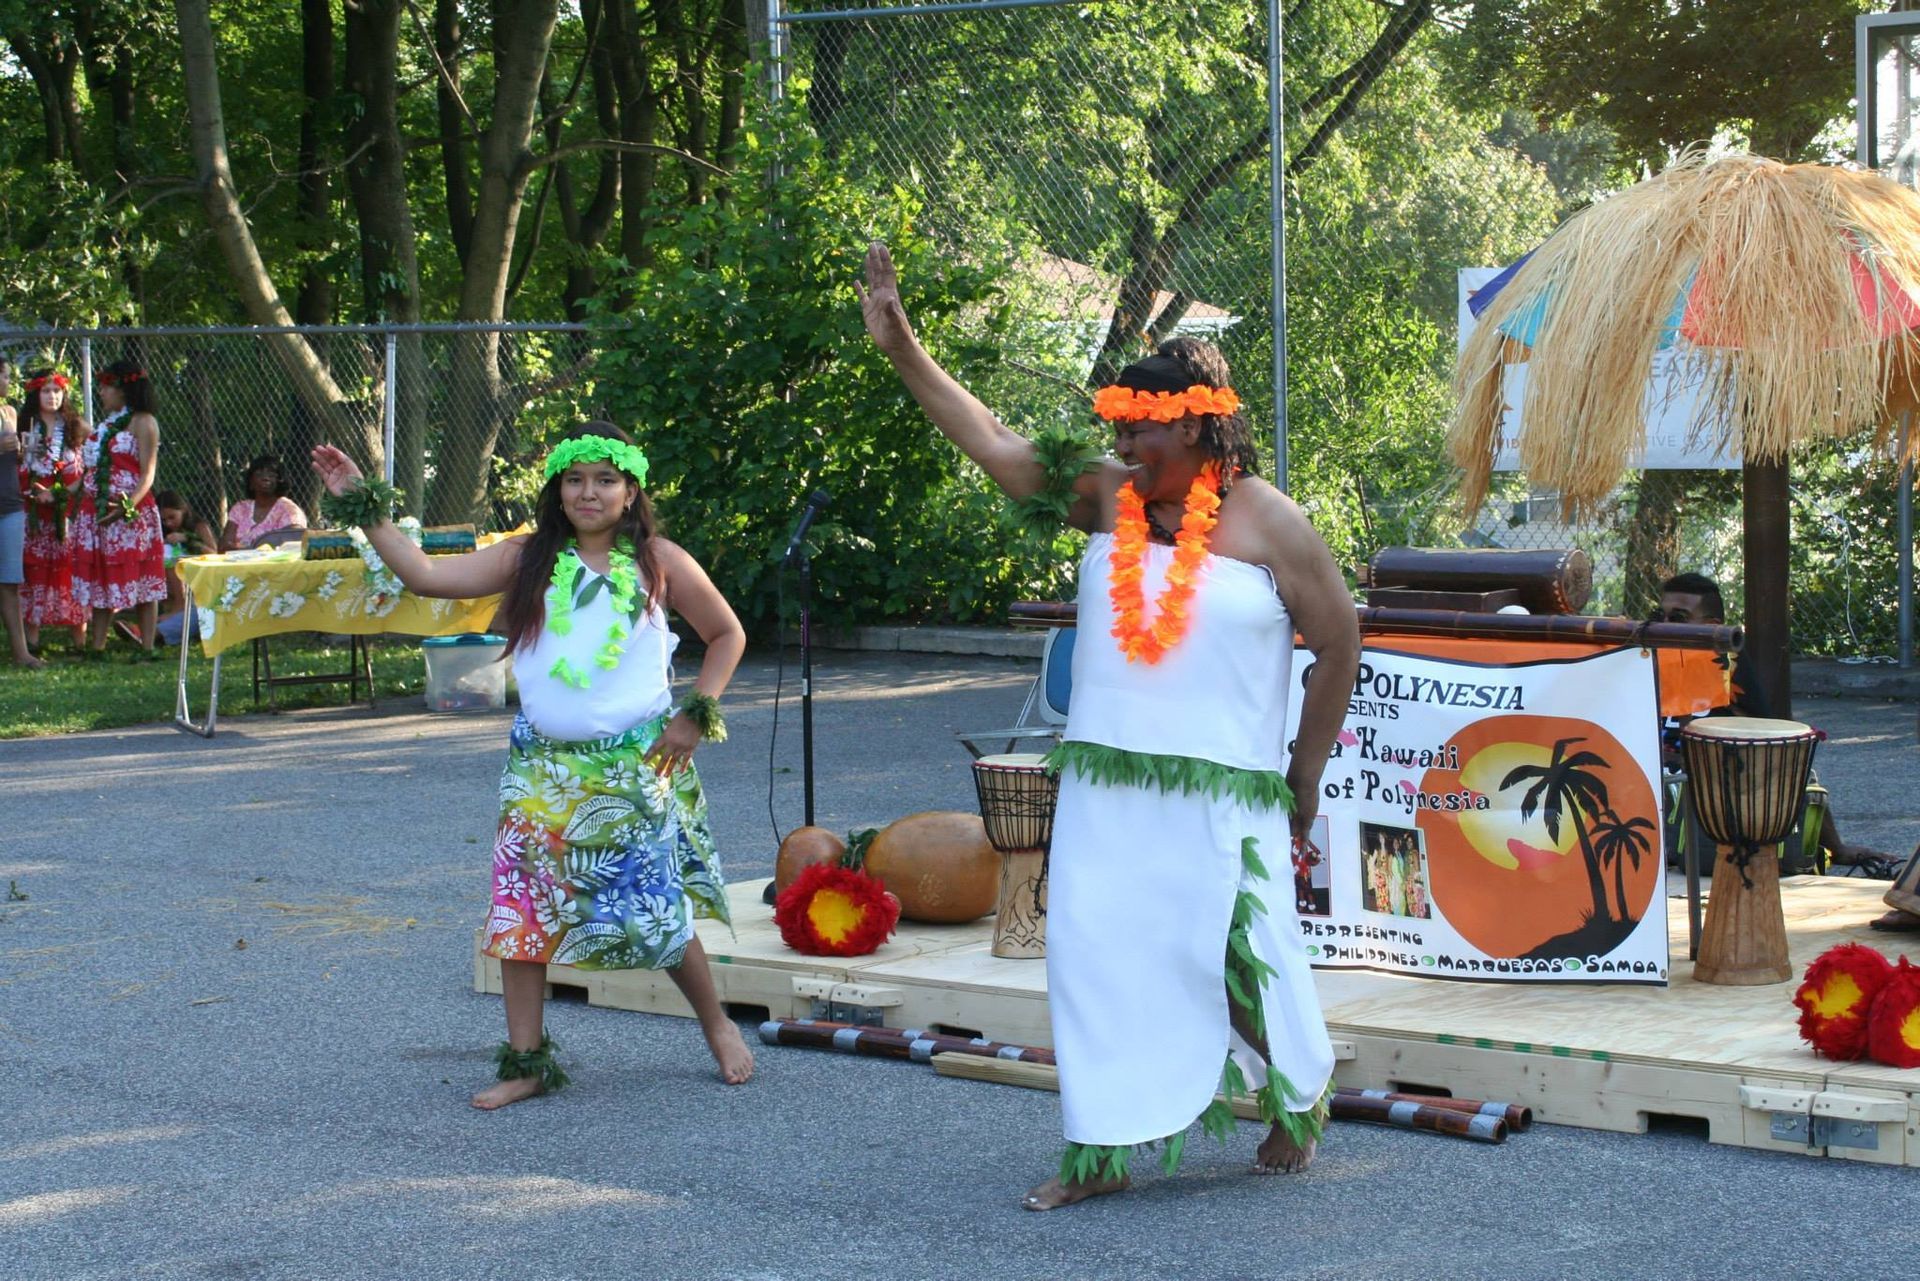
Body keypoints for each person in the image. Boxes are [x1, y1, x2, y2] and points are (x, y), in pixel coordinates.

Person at [860, 241, 1360, 1210]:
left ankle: (1297, 1102)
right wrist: (904, 349)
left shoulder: (1270, 523)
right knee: (1093, 955)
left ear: (1203, 428)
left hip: (1226, 788)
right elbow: (1000, 447)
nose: (1128, 451)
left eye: (1146, 435)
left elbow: (1337, 645)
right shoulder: (1107, 498)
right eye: (1121, 432)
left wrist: (1303, 778)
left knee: (1241, 956)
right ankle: (1100, 1150)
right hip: (1104, 784)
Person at [311, 421, 754, 1108]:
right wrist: (361, 505)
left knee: (654, 910)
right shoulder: (526, 559)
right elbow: (425, 575)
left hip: (636, 767)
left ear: (631, 490)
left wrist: (695, 712)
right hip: (541, 770)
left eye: (605, 479)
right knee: (522, 910)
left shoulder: (659, 561)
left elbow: (728, 633)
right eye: (575, 479)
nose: (589, 492)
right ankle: (525, 1061)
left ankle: (716, 1023)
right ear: (556, 489)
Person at [1659, 571, 1889, 872]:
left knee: (1794, 767)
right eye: (1660, 615)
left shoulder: (1729, 665)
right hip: (1653, 769)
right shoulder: (1643, 656)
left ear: (1711, 627)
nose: (1663, 626)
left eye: (1677, 618)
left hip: (1706, 769)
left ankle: (1836, 848)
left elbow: (1767, 735)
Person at [71, 360, 166, 658]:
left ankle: (148, 647)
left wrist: (126, 506)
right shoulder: (106, 425)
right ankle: (97, 647)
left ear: (123, 390)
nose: (100, 393)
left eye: (105, 387)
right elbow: (89, 471)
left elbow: (147, 474)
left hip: (131, 512)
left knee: (141, 579)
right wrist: (59, 492)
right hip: (98, 511)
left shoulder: (144, 422)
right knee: (101, 578)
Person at [16, 365, 87, 652]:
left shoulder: (75, 426)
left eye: (57, 390)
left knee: (70, 568)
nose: (52, 396)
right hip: (33, 511)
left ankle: (80, 641)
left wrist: (63, 492)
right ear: (35, 393)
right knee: (34, 570)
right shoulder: (24, 425)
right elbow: (18, 467)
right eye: (46, 391)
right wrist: (37, 491)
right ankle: (32, 641)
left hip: (67, 511)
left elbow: (94, 462)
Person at [0, 363, 42, 668]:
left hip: (11, 506)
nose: (7, 381)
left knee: (10, 582)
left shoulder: (10, 413)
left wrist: (21, 451)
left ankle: (21, 652)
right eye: (3, 375)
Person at [153, 490, 216, 646]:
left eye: (172, 517)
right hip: (170, 585)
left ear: (184, 510)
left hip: (198, 580)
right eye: (164, 520)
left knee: (173, 558)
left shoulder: (198, 526)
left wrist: (188, 539)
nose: (168, 523)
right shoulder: (163, 531)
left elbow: (214, 554)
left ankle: (178, 608)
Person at [223, 455, 307, 550]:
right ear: (251, 482)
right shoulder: (240, 508)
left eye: (271, 474)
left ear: (280, 481)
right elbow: (224, 546)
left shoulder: (289, 510)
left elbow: (293, 544)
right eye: (259, 474)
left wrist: (249, 551)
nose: (265, 478)